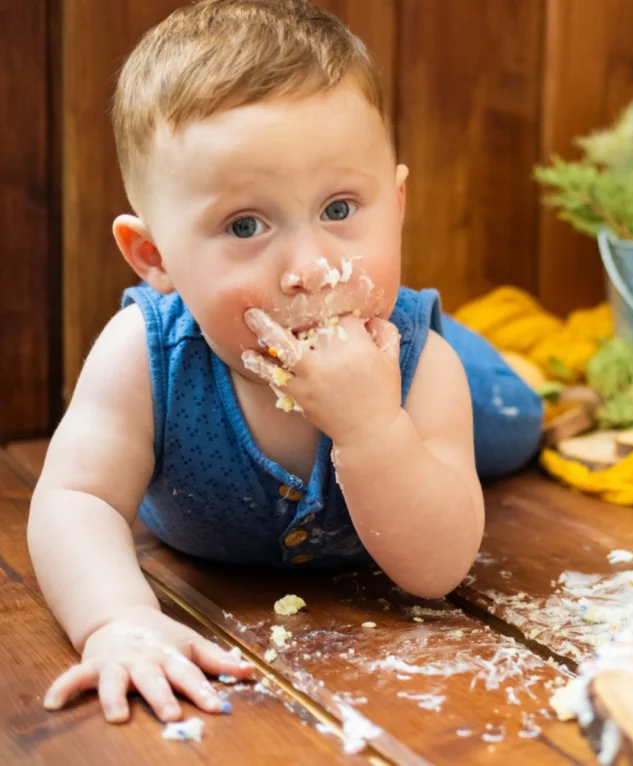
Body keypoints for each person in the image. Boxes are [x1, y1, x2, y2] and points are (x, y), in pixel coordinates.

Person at [28, 0, 542, 726]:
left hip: (446, 400)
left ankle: (500, 356)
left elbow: (436, 571)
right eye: (246, 225)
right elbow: (74, 501)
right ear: (155, 256)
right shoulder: (142, 358)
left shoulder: (418, 366)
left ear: (394, 206)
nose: (310, 269)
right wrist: (114, 619)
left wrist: (372, 429)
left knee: (518, 423)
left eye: (339, 209)